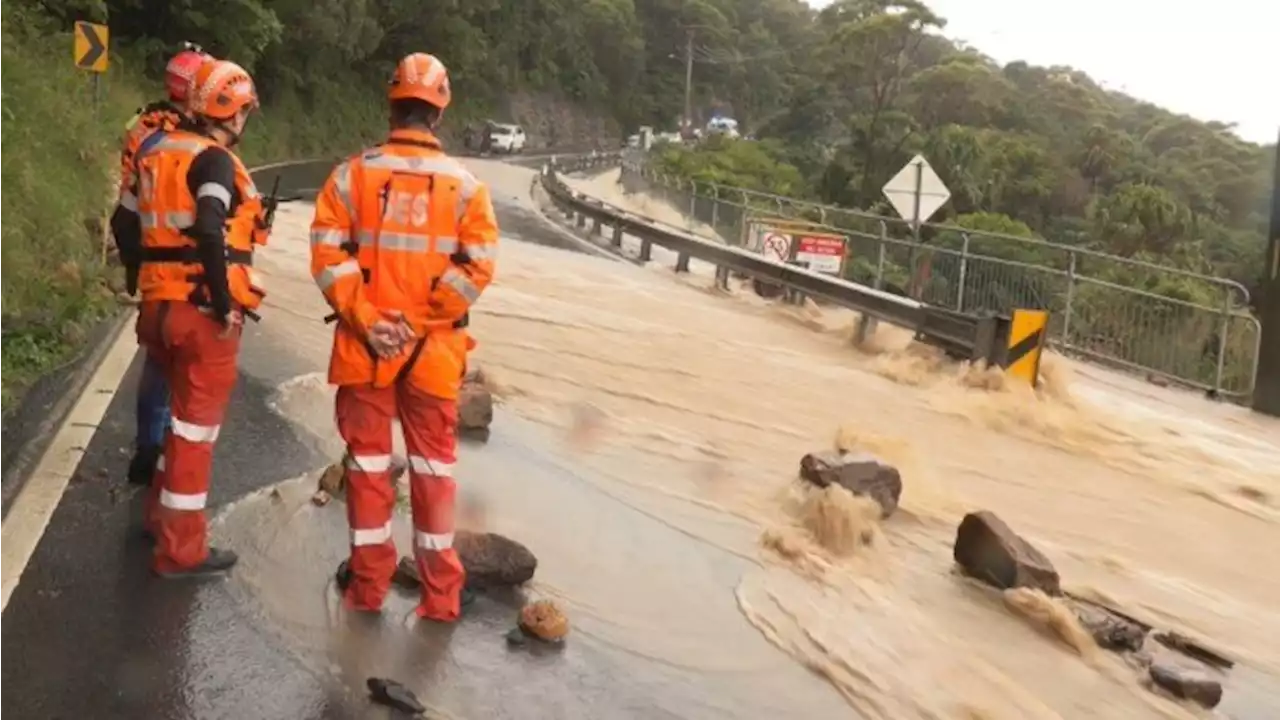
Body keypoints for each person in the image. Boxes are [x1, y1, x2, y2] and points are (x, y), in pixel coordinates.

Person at [309, 52, 499, 622]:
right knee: (435, 474)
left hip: (366, 352)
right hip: (434, 356)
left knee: (367, 473)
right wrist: (420, 321)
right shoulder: (467, 188)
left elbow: (326, 255)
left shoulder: (352, 175)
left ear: (393, 105)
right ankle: (441, 599)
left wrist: (368, 319)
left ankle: (367, 590)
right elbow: (478, 267)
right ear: (439, 113)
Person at [111, 58, 268, 577]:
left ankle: (159, 518)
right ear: (233, 112)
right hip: (200, 314)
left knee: (175, 423)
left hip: (157, 310)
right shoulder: (214, 160)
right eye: (244, 111)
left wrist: (143, 279)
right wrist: (223, 303)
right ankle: (181, 550)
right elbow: (207, 228)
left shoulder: (155, 152)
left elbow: (123, 221)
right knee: (194, 434)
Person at [116, 43, 212, 488]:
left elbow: (126, 203)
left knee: (155, 359)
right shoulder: (201, 139)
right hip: (190, 265)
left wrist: (133, 266)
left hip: (147, 249)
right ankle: (178, 457)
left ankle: (147, 444)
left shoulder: (143, 126)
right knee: (191, 365)